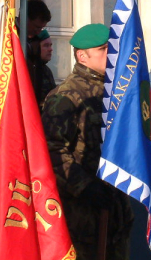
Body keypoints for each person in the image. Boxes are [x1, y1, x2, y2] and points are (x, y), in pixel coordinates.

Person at [41, 24, 133, 260]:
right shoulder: (66, 97)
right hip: (82, 212)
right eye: (104, 49)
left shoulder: (115, 91)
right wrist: (84, 186)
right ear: (82, 56)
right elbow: (52, 149)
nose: (111, 54)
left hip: (115, 206)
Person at [34, 29, 57, 110]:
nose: (50, 49)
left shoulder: (46, 70)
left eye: (50, 45)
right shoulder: (30, 70)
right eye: (46, 45)